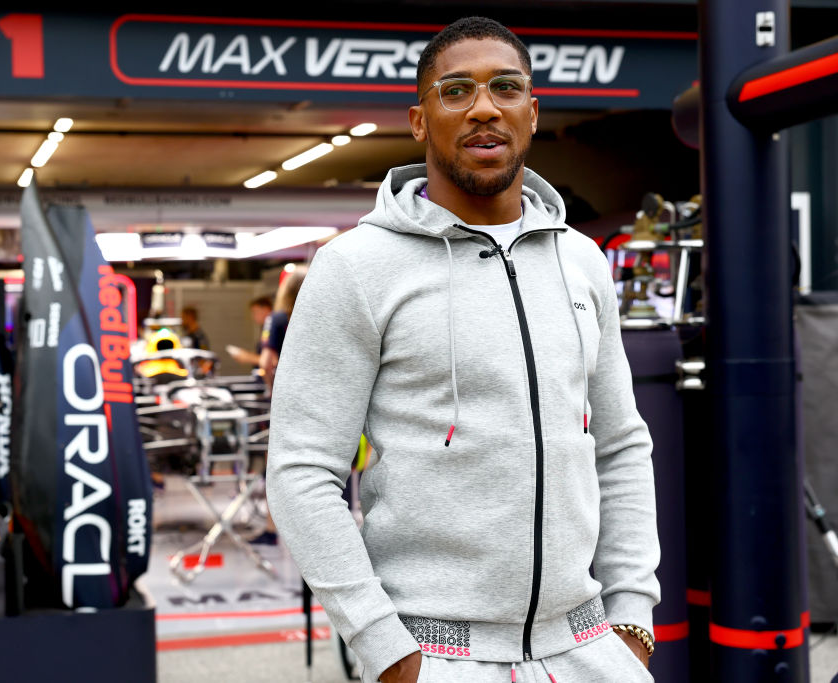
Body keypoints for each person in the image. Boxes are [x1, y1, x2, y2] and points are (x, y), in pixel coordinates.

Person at [266, 17, 659, 683]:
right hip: (440, 654)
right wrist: (389, 651)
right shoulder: (355, 267)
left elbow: (620, 443)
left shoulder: (582, 261)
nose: (484, 107)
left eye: (506, 88)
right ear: (420, 120)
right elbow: (302, 471)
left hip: (592, 646)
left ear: (531, 114)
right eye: (456, 91)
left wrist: (631, 616)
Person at [259, 266, 307, 397]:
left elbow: (265, 363)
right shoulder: (322, 319)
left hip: (290, 392)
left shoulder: (276, 319)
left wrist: (272, 390)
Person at [227, 296, 274, 368]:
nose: (253, 316)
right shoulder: (265, 329)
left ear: (266, 309)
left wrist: (248, 357)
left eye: (255, 312)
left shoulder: (274, 328)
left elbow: (272, 360)